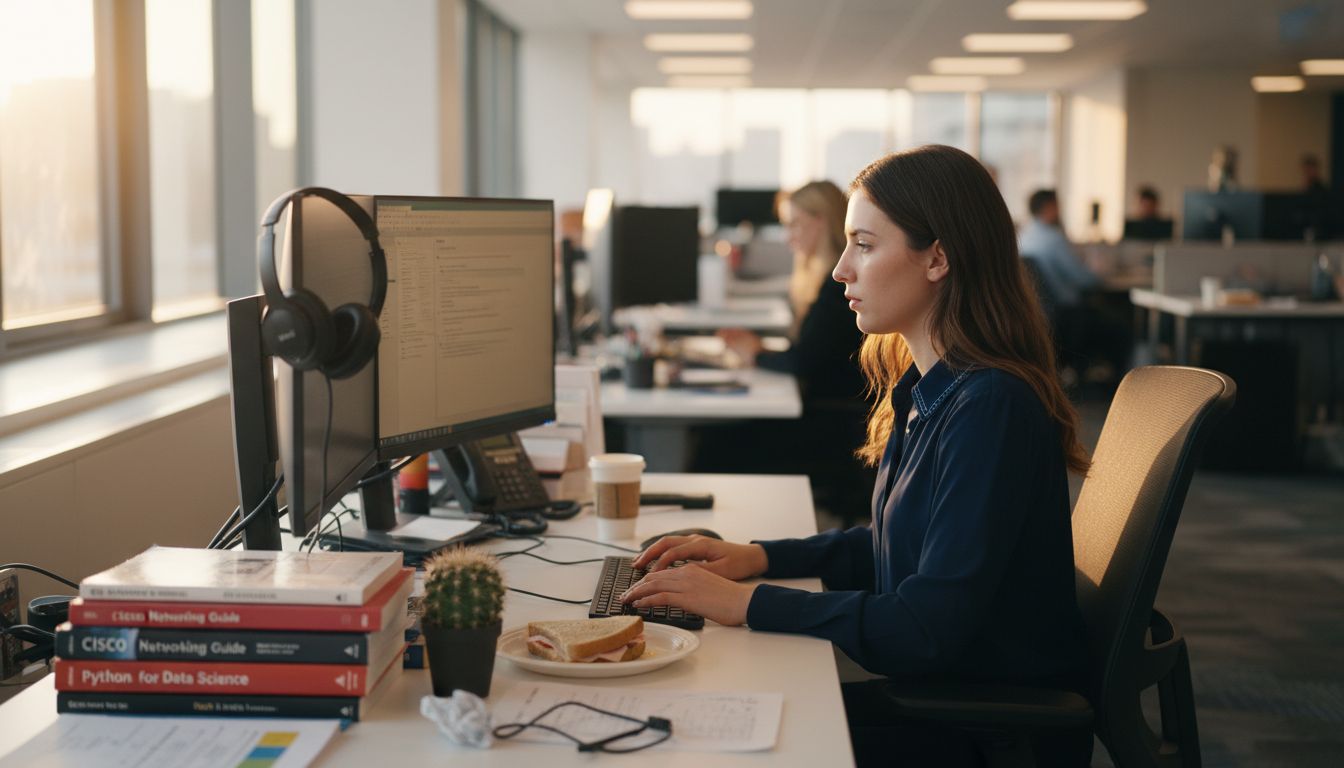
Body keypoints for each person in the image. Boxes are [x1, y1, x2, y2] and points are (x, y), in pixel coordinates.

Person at [623, 145, 1093, 765]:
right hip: (940, 700)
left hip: (977, 731)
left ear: (938, 259)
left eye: (864, 245)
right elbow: (886, 547)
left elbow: (924, 629)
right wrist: (755, 558)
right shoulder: (931, 389)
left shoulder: (989, 409)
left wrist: (748, 605)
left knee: (702, 734)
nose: (841, 269)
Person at [718, 180, 864, 401]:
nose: (788, 237)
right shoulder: (819, 277)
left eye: (794, 224)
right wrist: (759, 349)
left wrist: (755, 354)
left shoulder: (838, 286)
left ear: (821, 222)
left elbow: (803, 362)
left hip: (833, 418)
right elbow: (814, 352)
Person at [1019, 188, 1099, 309]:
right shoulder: (1054, 239)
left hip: (1039, 309)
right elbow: (1082, 279)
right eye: (1057, 206)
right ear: (1049, 207)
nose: (1060, 211)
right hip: (1067, 309)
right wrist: (1099, 277)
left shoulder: (1023, 236)